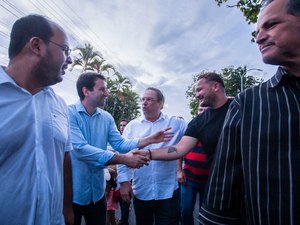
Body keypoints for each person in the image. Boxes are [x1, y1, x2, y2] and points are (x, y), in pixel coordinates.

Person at [198, 0, 300, 224]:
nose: (260, 37)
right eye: (257, 31)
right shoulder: (248, 103)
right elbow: (222, 191)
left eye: (270, 25)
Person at [68, 72, 173, 225]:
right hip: (72, 193)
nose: (107, 93)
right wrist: (124, 159)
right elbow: (80, 150)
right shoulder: (69, 113)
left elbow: (120, 145)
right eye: (102, 89)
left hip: (97, 193)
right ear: (86, 91)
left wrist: (150, 139)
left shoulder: (107, 117)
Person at [0, 14, 73, 225]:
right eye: (65, 50)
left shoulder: (59, 104)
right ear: (36, 45)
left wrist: (67, 209)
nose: (69, 59)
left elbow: (64, 159)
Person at [117, 87, 187, 225]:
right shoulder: (132, 126)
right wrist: (124, 182)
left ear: (161, 103)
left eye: (149, 99)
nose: (144, 102)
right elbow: (122, 154)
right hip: (142, 191)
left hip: (168, 192)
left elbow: (196, 130)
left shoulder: (176, 123)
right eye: (142, 99)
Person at [177, 104, 209, 225]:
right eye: (200, 109)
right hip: (189, 179)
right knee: (185, 209)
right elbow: (179, 150)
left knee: (205, 212)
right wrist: (179, 170)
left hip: (209, 180)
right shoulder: (190, 128)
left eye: (207, 109)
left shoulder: (218, 128)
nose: (203, 111)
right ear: (196, 112)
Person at [118, 119, 132, 225]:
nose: (122, 127)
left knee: (125, 201)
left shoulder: (131, 140)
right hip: (112, 175)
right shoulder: (114, 138)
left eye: (125, 125)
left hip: (128, 176)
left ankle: (124, 221)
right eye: (121, 125)